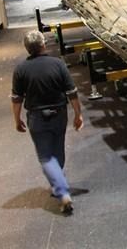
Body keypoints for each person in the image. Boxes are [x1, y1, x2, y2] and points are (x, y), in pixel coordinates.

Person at [11, 30, 83, 214]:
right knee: (58, 151)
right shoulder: (57, 64)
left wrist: (17, 118)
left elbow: (17, 98)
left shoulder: (21, 69)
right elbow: (71, 92)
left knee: (46, 157)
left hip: (37, 117)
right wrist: (78, 114)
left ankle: (61, 190)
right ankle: (58, 182)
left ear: (27, 49)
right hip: (59, 114)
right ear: (43, 45)